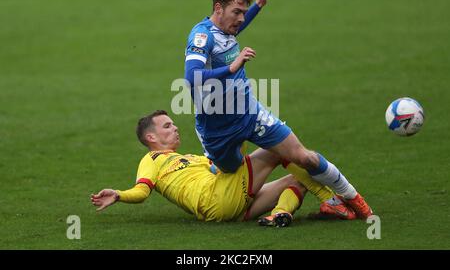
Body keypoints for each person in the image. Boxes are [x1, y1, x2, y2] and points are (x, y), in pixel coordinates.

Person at [183, 0, 373, 219]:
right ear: (218, 8)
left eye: (243, 13)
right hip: (217, 129)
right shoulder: (201, 36)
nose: (241, 19)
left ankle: (353, 198)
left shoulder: (227, 28)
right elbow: (192, 76)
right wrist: (231, 68)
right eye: (237, 12)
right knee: (232, 169)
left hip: (250, 114)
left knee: (304, 156)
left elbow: (233, 30)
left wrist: (258, 6)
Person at [91, 110, 357, 226]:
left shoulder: (193, 159)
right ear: (151, 138)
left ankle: (278, 215)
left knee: (297, 181)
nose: (175, 127)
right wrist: (118, 194)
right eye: (167, 126)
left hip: (228, 205)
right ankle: (331, 200)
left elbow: (222, 170)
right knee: (278, 149)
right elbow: (141, 192)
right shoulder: (152, 161)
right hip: (215, 200)